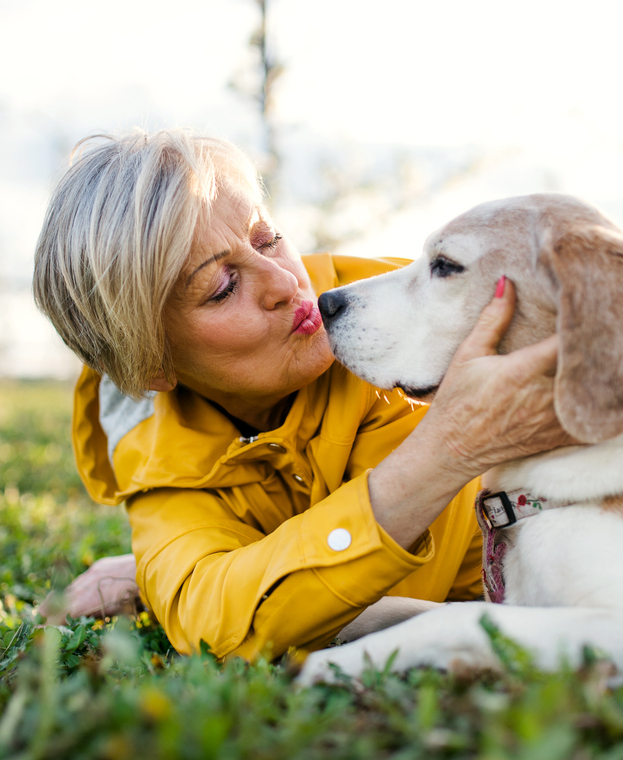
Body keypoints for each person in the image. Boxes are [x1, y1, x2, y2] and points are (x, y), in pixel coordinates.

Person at [33, 129, 571, 660]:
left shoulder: (406, 328)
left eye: (267, 239)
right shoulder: (160, 459)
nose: (285, 282)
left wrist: (445, 449)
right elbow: (211, 620)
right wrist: (168, 578)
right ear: (152, 363)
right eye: (223, 287)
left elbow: (388, 608)